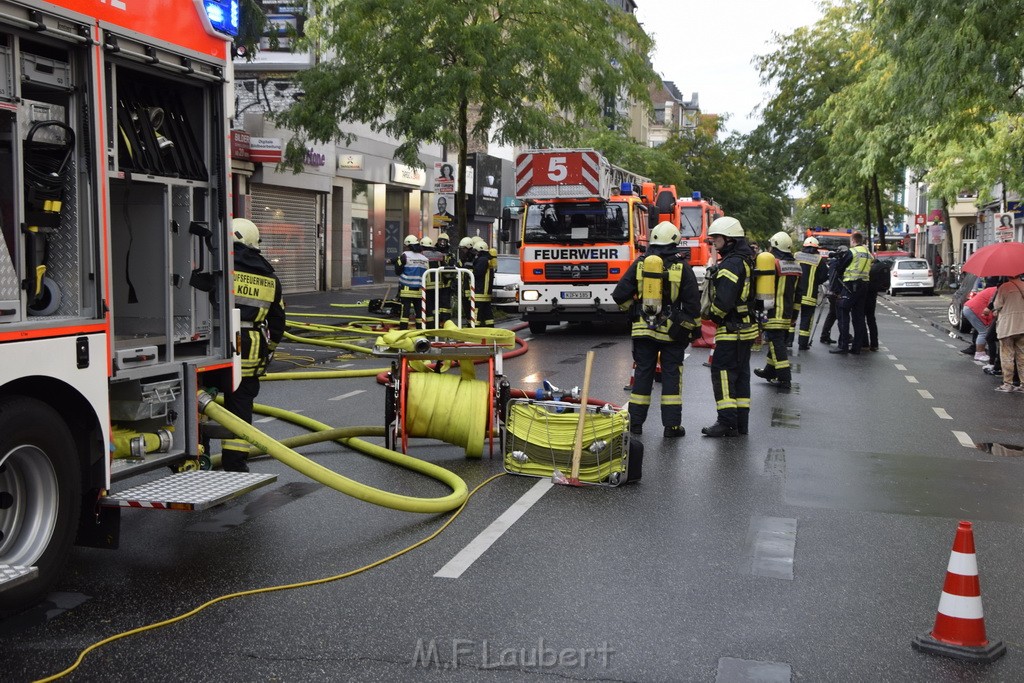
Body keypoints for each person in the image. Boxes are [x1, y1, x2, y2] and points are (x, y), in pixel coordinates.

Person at [612, 221, 701, 438]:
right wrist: (693, 330)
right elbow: (692, 306)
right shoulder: (683, 268)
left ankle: (635, 424)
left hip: (643, 331)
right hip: (672, 333)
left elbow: (619, 295)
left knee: (643, 374)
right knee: (671, 376)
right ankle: (671, 427)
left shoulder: (641, 264)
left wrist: (632, 311)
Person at [222, 218, 285, 472]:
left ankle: (196, 457)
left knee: (202, 405)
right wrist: (269, 350)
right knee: (239, 409)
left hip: (213, 350)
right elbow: (278, 322)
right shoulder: (270, 278)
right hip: (249, 352)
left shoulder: (219, 269)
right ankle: (235, 465)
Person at [700, 216, 757, 437]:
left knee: (722, 371)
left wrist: (712, 316)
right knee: (741, 376)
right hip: (745, 328)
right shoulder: (744, 259)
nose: (714, 242)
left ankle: (726, 422)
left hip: (732, 329)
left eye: (717, 238)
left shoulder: (732, 263)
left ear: (729, 239)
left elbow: (724, 301)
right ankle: (741, 423)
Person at [753, 232, 801, 389]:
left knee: (776, 343)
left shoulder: (773, 264)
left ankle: (784, 377)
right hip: (787, 313)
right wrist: (794, 315)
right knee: (777, 341)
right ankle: (769, 371)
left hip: (773, 312)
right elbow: (798, 294)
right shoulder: (796, 266)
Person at [830, 231, 873, 355]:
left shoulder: (852, 252)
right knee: (858, 317)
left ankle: (843, 346)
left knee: (843, 313)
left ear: (853, 241)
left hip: (849, 286)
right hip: (864, 286)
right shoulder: (868, 254)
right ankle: (856, 348)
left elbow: (840, 268)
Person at [988, 273, 1024, 392]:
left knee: (1007, 354)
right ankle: (1023, 384)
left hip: (1007, 326)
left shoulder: (1004, 287)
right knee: (1022, 355)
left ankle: (1007, 383)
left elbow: (997, 305)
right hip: (1022, 325)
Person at [793, 236, 827, 350]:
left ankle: (788, 341)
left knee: (792, 318)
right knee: (806, 320)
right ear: (816, 248)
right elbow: (823, 277)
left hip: (795, 295)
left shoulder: (796, 256)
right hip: (810, 295)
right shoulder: (819, 260)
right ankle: (803, 344)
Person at [394, 234, 428, 329]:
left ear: (408, 246)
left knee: (405, 312)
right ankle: (420, 330)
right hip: (419, 290)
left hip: (406, 289)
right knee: (419, 312)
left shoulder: (405, 256)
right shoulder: (424, 259)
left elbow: (398, 270)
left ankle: (403, 330)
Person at [865, 257, 891, 351]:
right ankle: (874, 344)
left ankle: (864, 343)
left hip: (864, 296)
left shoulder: (869, 269)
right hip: (873, 297)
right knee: (871, 320)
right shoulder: (878, 269)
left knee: (861, 319)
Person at [470, 236, 495, 327]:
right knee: (487, 312)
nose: (475, 254)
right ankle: (490, 328)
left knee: (477, 311)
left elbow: (477, 273)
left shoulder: (482, 260)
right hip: (486, 292)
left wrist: (469, 270)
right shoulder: (488, 259)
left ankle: (475, 328)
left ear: (480, 251)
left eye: (476, 251)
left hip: (480, 292)